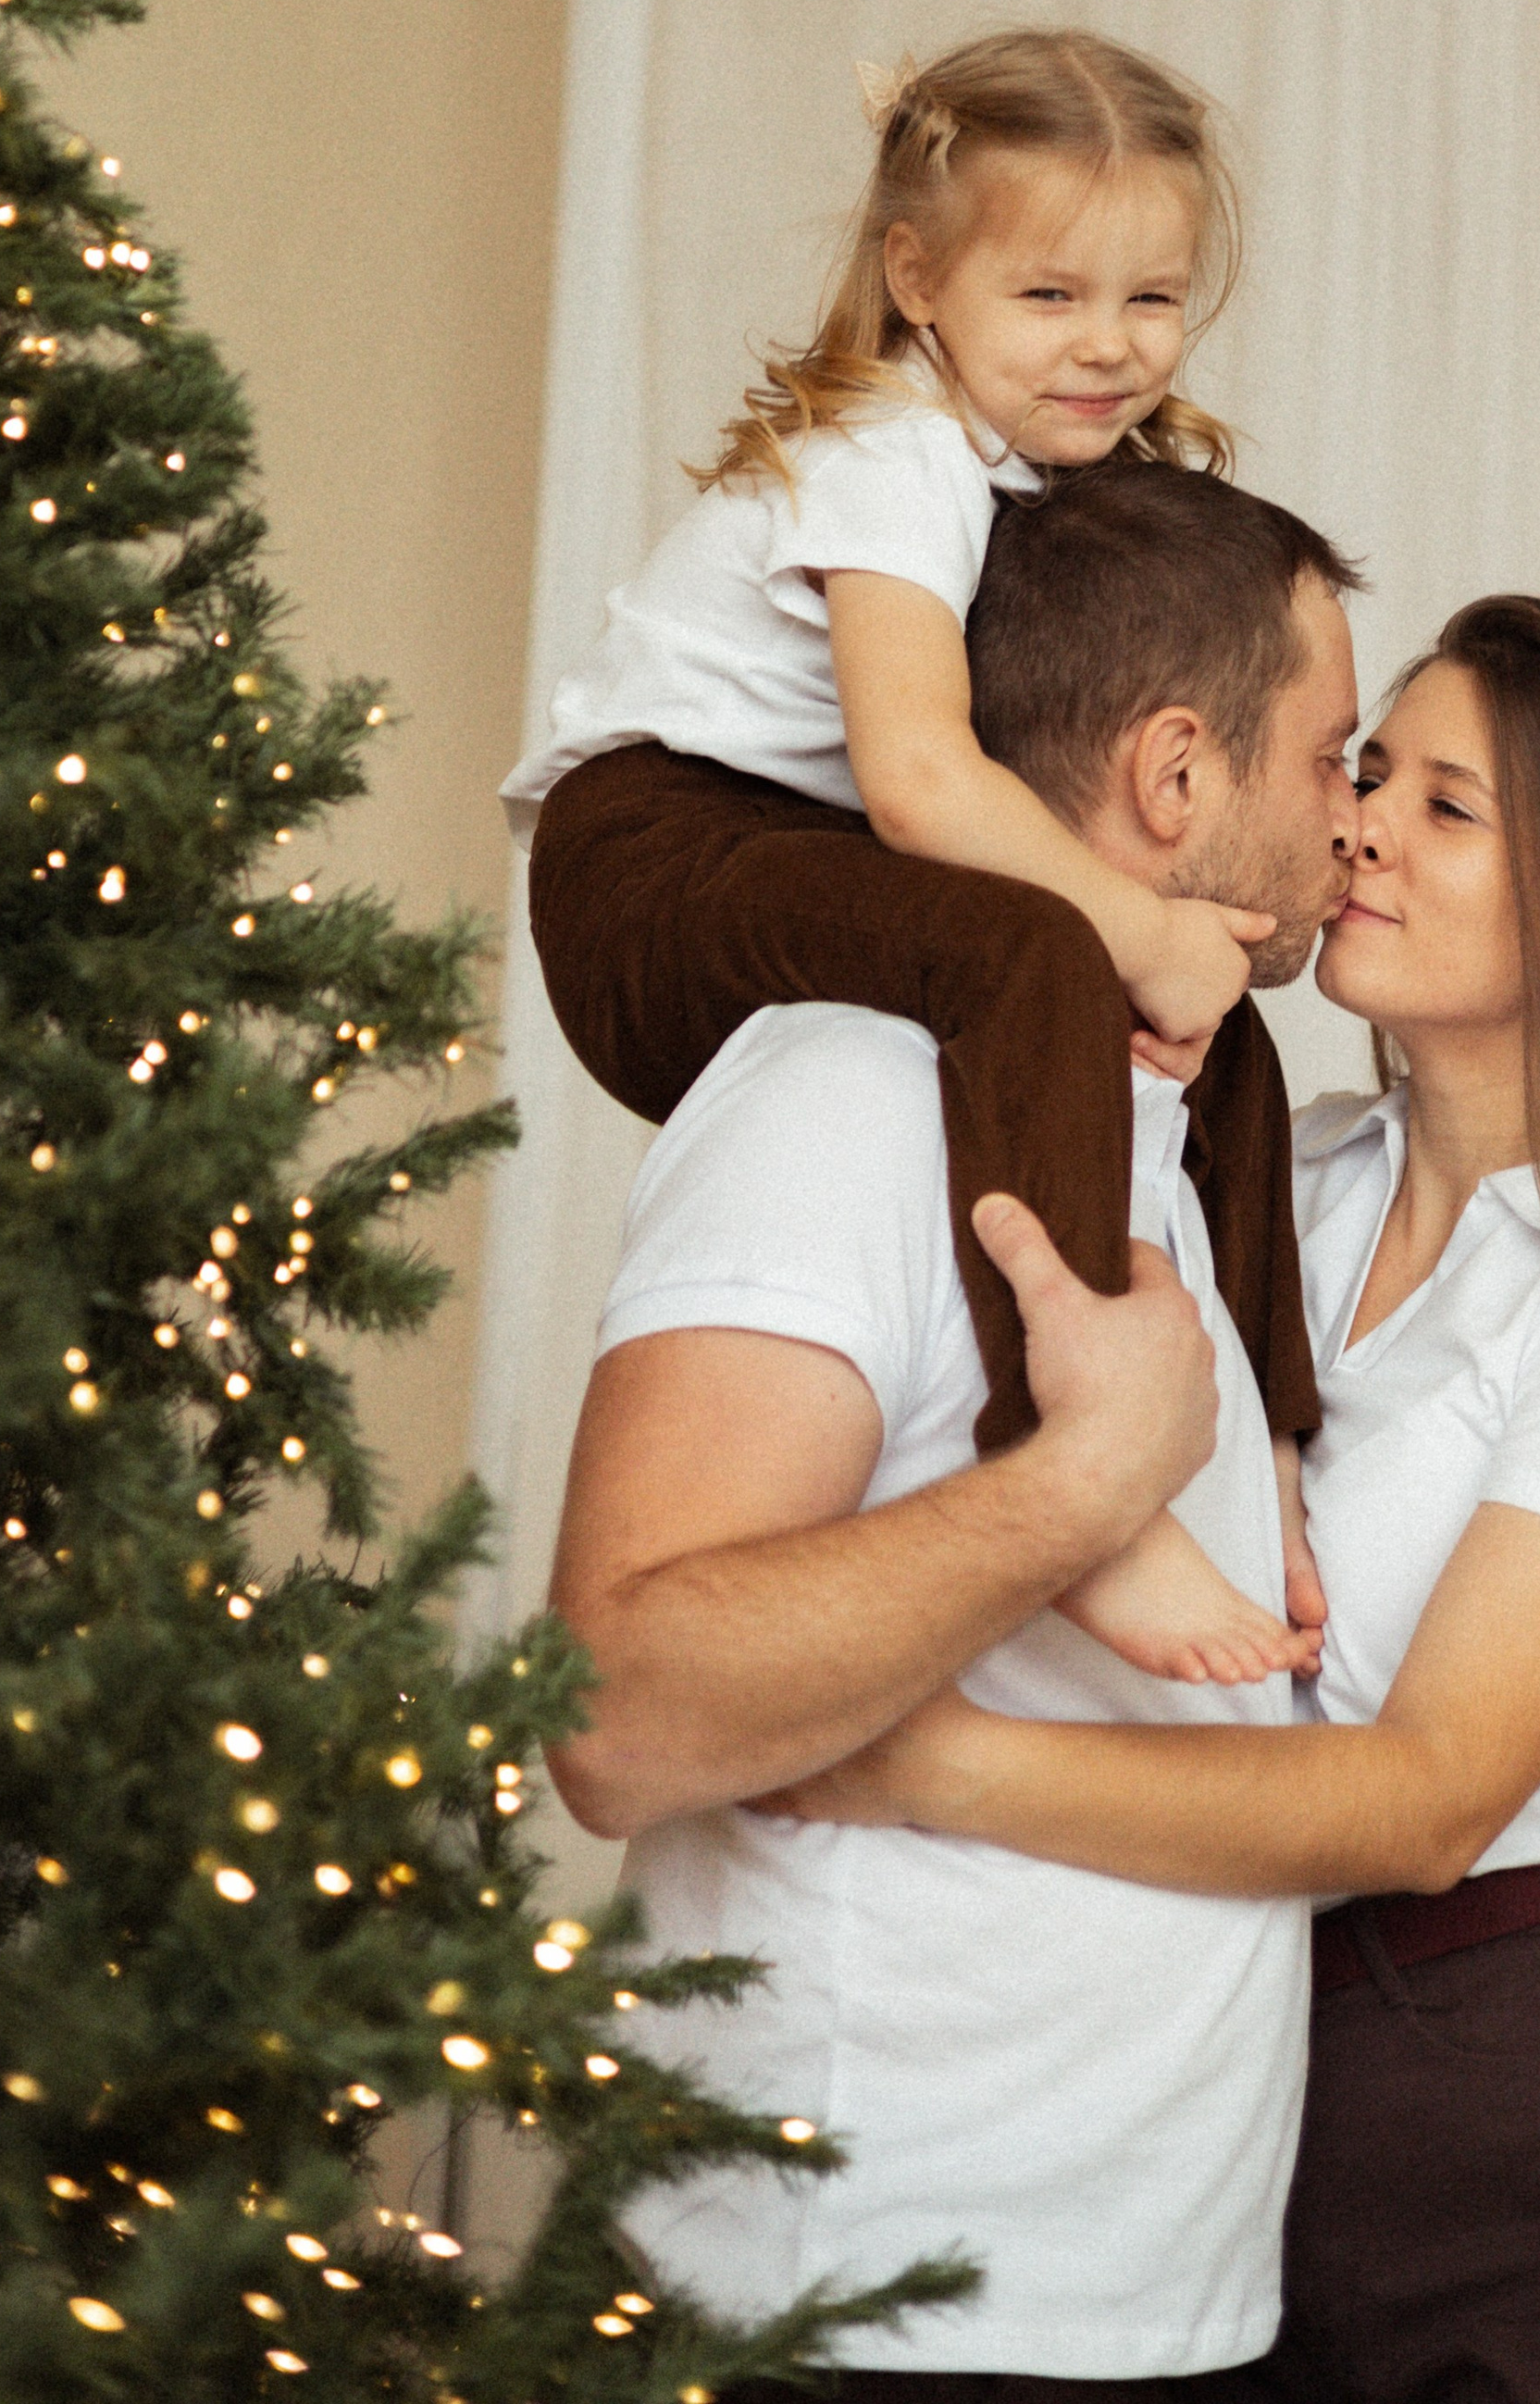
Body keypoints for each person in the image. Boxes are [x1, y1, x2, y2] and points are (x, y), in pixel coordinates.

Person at [768, 595, 1540, 2404]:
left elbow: (1426, 1796)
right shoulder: (1286, 1182)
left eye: (1446, 806)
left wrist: (920, 1765)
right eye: (1369, 773)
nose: (1360, 825)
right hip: (1272, 2111)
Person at [544, 464, 1365, 2397]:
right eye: (1331, 754)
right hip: (852, 2307)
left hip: (1138, 2315)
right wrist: (1087, 1486)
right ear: (1177, 774)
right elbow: (610, 1711)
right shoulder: (844, 1086)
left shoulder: (1153, 1114)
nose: (1354, 812)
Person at [506, 28, 1324, 1684]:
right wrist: (1142, 927)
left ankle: (1272, 1461)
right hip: (653, 857)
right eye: (1050, 294)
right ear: (918, 278)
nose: (1109, 343)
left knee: (1228, 1034)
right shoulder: (897, 451)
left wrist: (1194, 958)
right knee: (1045, 952)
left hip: (775, 840)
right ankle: (1073, 1470)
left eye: (1152, 297)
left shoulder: (1022, 459)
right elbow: (922, 783)